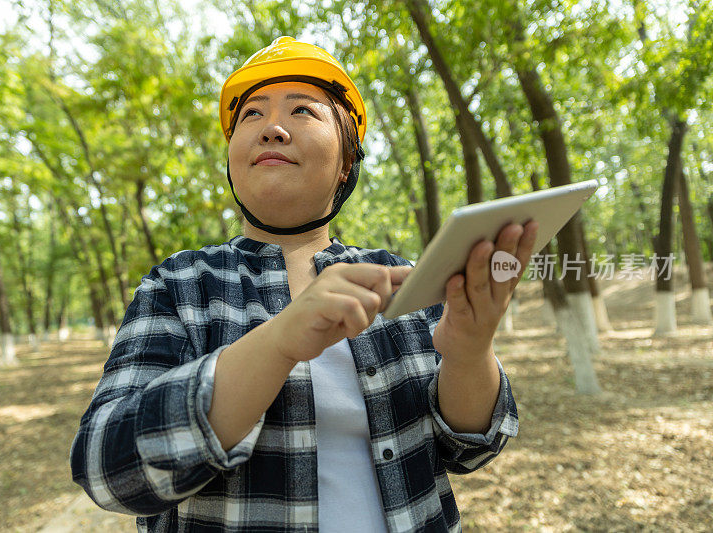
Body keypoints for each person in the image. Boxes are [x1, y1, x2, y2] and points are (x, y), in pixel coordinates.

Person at [70, 36, 538, 533]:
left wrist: (469, 351)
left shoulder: (405, 280)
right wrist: (277, 342)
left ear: (345, 165)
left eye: (303, 112)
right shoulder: (180, 285)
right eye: (251, 115)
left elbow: (471, 449)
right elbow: (106, 470)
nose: (272, 128)